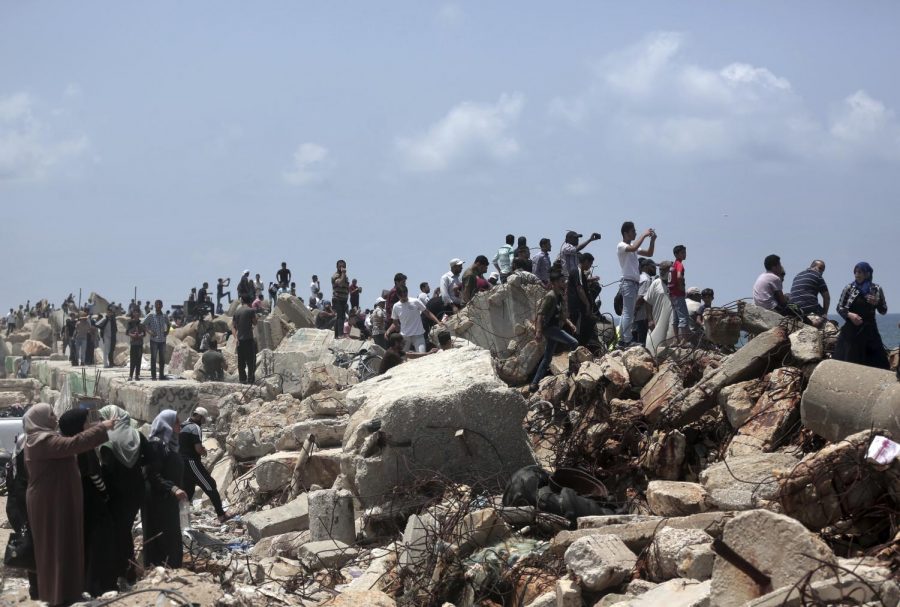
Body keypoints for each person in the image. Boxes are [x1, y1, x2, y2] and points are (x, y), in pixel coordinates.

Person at [23, 403, 114, 606]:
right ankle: (57, 595)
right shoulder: (41, 441)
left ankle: (68, 591)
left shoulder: (44, 438)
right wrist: (101, 428)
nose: (55, 417)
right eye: (51, 414)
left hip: (56, 499)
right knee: (56, 546)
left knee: (67, 543)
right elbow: (74, 444)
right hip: (50, 503)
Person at [58, 409, 117, 597]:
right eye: (86, 422)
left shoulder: (65, 445)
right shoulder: (83, 447)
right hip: (92, 501)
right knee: (97, 544)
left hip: (76, 500)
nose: (89, 425)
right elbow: (94, 476)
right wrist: (105, 493)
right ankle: (95, 585)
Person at [96, 405, 145, 589]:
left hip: (116, 495)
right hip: (136, 493)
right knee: (124, 531)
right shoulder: (137, 435)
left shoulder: (107, 440)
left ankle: (122, 571)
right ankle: (128, 571)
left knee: (119, 534)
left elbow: (106, 470)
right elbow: (150, 459)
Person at [141, 410, 187, 569]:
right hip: (157, 498)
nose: (179, 426)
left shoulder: (170, 444)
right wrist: (173, 488)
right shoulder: (156, 444)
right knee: (161, 534)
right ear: (166, 423)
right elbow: (151, 474)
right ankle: (157, 568)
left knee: (171, 534)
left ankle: (171, 568)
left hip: (168, 497)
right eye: (176, 423)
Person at [529, 271, 579, 391]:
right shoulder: (550, 296)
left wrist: (571, 324)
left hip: (555, 328)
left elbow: (562, 315)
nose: (564, 283)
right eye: (562, 282)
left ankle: (534, 384)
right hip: (549, 328)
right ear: (555, 283)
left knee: (547, 358)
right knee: (574, 343)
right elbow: (540, 315)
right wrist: (539, 332)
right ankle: (571, 372)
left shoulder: (559, 296)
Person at [834, 262, 890, 369]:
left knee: (878, 363)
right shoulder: (849, 288)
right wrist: (850, 315)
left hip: (870, 329)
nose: (857, 274)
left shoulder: (876, 289)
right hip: (851, 330)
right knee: (848, 362)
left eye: (860, 272)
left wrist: (877, 302)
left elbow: (884, 310)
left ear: (867, 274)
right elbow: (839, 307)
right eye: (855, 272)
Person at [180, 407, 231, 522]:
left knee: (188, 491)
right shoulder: (195, 427)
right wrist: (204, 451)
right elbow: (198, 448)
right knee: (210, 485)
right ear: (198, 416)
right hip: (191, 462)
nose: (203, 422)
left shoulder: (183, 425)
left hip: (181, 463)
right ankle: (221, 515)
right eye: (203, 419)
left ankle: (181, 519)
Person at [5, 433, 39, 599]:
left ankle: (36, 587)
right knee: (32, 545)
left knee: (30, 544)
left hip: (15, 507)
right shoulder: (27, 464)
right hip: (22, 507)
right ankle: (36, 588)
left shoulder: (13, 462)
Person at [617, 222, 657, 349]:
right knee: (628, 313)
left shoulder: (632, 247)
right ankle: (627, 340)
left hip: (632, 283)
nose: (635, 233)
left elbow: (649, 253)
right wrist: (644, 235)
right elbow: (634, 248)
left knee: (626, 313)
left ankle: (623, 341)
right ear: (626, 233)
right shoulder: (621, 245)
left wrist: (653, 240)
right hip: (628, 283)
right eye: (633, 231)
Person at [386, 285, 442, 353]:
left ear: (407, 293)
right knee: (402, 357)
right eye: (402, 296)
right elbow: (394, 320)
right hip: (405, 337)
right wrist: (397, 328)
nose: (404, 297)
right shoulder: (396, 306)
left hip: (418, 334)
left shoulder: (415, 301)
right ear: (398, 295)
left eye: (405, 295)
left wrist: (438, 322)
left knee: (422, 354)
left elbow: (427, 313)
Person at [645, 260, 676, 355]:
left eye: (664, 270)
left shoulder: (676, 284)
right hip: (657, 321)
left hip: (672, 323)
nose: (661, 272)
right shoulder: (656, 283)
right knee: (652, 347)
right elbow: (647, 302)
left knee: (671, 346)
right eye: (660, 270)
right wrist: (650, 320)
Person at [567, 253, 597, 348]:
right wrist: (587, 304)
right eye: (590, 263)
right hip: (577, 308)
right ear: (586, 261)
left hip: (579, 308)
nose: (590, 266)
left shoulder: (580, 273)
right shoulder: (577, 271)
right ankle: (576, 348)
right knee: (578, 329)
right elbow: (579, 289)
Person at [233, 295, 258, 384]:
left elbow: (234, 327)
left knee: (241, 362)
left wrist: (236, 338)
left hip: (239, 340)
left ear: (242, 301)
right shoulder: (251, 310)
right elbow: (255, 322)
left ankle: (242, 379)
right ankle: (251, 379)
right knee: (251, 361)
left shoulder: (237, 312)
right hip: (248, 339)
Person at [143, 300, 170, 380]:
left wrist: (167, 331)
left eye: (159, 305)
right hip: (154, 340)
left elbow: (168, 324)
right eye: (157, 305)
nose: (158, 306)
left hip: (162, 340)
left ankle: (161, 375)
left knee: (162, 358)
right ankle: (153, 376)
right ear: (155, 306)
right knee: (153, 358)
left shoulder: (164, 315)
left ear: (162, 306)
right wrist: (149, 332)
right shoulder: (151, 315)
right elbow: (143, 324)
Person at [669, 244, 689, 342]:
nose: (684, 254)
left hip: (672, 294)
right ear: (676, 254)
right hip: (678, 293)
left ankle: (676, 340)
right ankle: (684, 340)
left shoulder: (673, 265)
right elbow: (679, 276)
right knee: (683, 317)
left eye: (685, 252)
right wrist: (682, 287)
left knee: (675, 318)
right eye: (682, 253)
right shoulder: (679, 264)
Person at [634, 258, 656, 345]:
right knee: (642, 344)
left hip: (638, 317)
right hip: (642, 316)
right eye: (653, 267)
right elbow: (641, 297)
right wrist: (634, 311)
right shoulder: (646, 279)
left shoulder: (639, 278)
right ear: (646, 267)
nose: (655, 269)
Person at [331, 260, 350, 339]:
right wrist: (343, 273)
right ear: (337, 267)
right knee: (340, 317)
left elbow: (346, 286)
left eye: (343, 266)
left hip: (344, 299)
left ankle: (337, 335)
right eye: (340, 266)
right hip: (337, 298)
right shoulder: (335, 275)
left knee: (342, 316)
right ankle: (339, 334)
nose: (342, 268)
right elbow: (340, 283)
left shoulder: (345, 276)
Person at [125, 310, 145, 381]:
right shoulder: (130, 323)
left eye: (138, 312)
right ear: (133, 313)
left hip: (139, 344)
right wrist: (133, 335)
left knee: (138, 360)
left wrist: (139, 335)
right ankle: (130, 375)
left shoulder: (141, 323)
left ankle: (137, 375)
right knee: (132, 360)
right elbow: (127, 332)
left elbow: (144, 333)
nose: (137, 314)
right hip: (133, 344)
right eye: (135, 312)